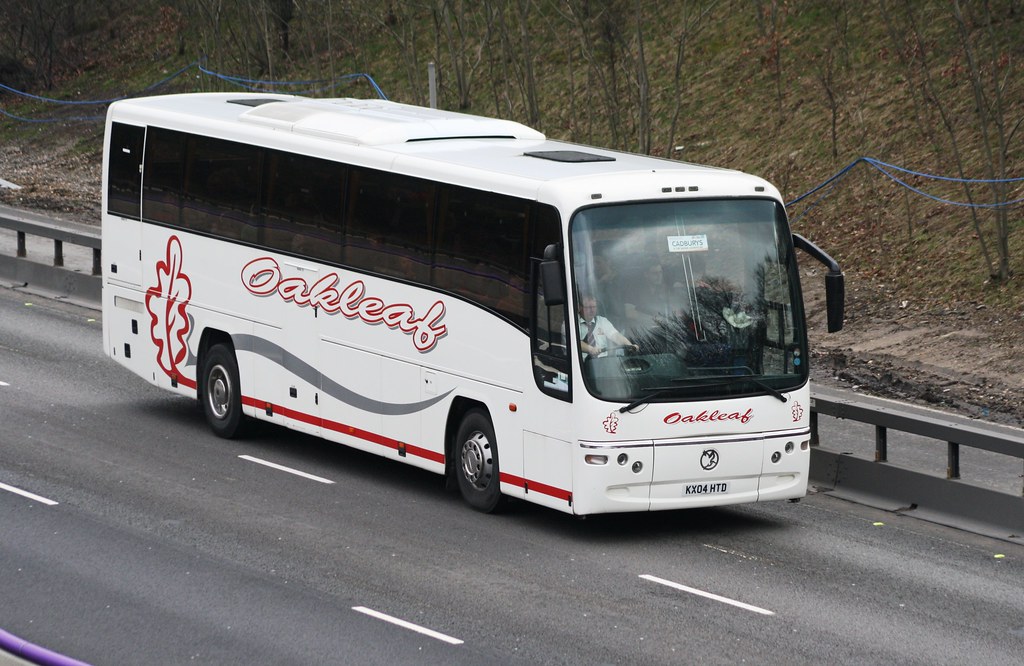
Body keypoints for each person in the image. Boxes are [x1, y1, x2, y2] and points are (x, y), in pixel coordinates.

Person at [577, 294, 638, 359]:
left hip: (603, 362)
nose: (592, 310)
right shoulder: (573, 322)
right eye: (589, 307)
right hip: (581, 364)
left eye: (594, 307)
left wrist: (629, 345)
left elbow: (616, 336)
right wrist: (590, 349)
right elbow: (575, 342)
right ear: (580, 308)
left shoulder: (602, 321)